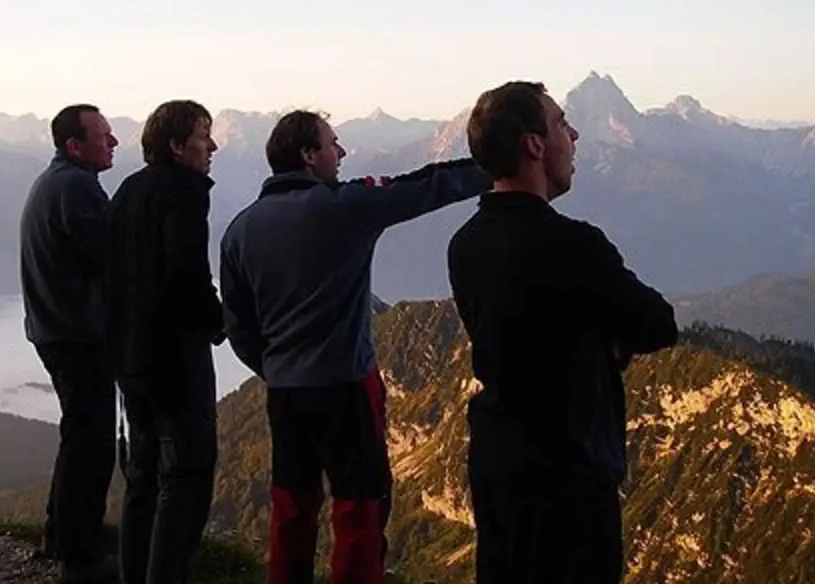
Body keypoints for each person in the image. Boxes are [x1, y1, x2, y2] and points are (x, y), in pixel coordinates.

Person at [218, 109, 493, 584]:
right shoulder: (342, 207)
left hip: (285, 393)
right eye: (332, 144)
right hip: (347, 387)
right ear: (309, 155)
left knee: (292, 507)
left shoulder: (239, 230)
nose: (341, 153)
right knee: (359, 509)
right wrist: (496, 164)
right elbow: (422, 188)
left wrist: (276, 367)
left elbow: (238, 325)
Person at [446, 81, 679, 584]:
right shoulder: (575, 246)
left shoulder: (465, 244)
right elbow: (660, 324)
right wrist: (609, 344)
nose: (573, 135)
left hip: (496, 465)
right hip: (570, 481)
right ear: (534, 145)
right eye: (561, 124)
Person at [107, 99, 226, 584]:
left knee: (143, 475)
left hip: (128, 357)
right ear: (177, 146)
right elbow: (187, 271)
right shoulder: (185, 192)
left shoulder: (128, 190)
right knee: (185, 479)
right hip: (174, 359)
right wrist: (216, 321)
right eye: (202, 136)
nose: (212, 145)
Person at [19, 103, 120, 583]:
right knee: (92, 443)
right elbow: (113, 257)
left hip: (55, 328)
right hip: (76, 333)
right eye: (103, 135)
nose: (113, 142)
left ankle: (60, 534)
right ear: (74, 145)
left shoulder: (56, 182)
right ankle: (81, 557)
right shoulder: (77, 188)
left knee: (79, 435)